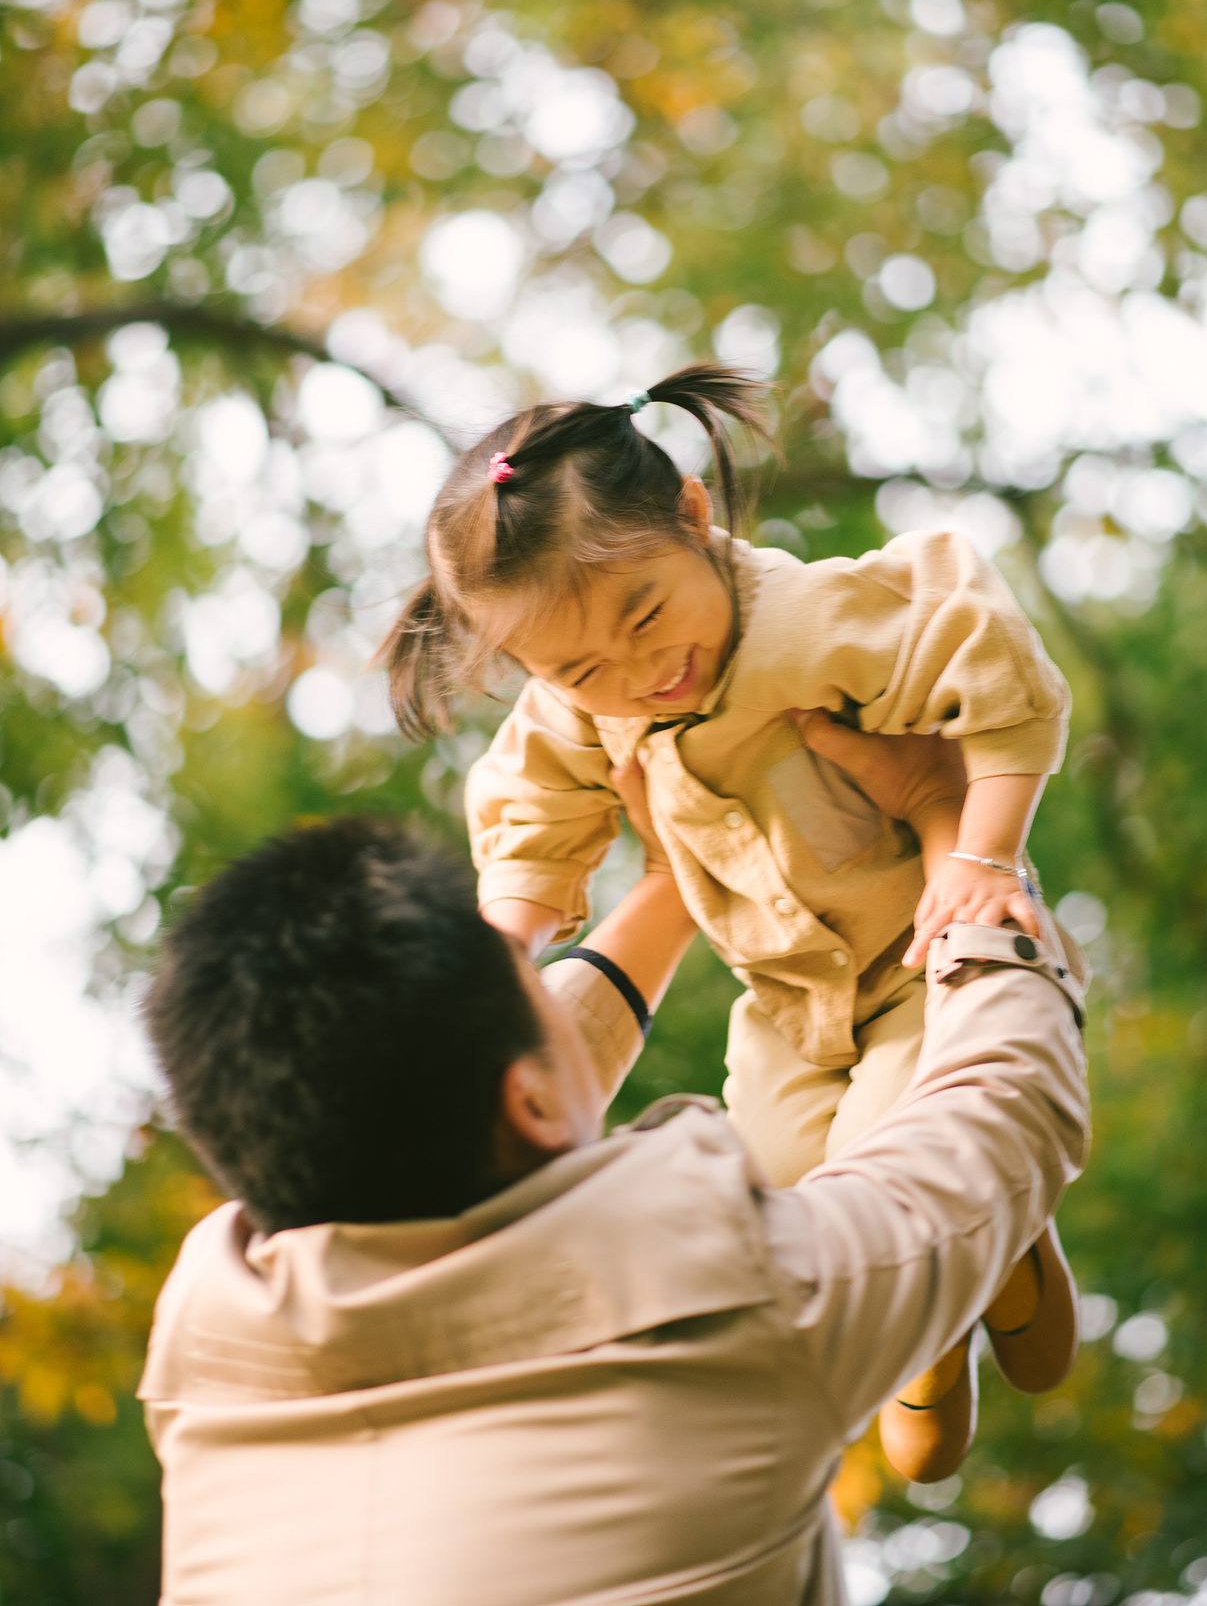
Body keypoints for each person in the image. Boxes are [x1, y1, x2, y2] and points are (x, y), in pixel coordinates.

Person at [140, 728, 1090, 1606]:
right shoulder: (731, 1306)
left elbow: (449, 1100)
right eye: (535, 987)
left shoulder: (202, 1353)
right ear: (529, 1099)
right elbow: (1006, 1111)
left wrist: (677, 880)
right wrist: (953, 828)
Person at [380, 363, 1080, 1475]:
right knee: (768, 1203)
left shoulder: (811, 623)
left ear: (696, 518)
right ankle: (995, 1255)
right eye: (576, 665)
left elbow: (988, 671)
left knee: (880, 1181)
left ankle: (932, 1327)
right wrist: (500, 957)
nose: (640, 671)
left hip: (923, 962)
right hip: (786, 1010)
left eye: (645, 613)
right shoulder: (578, 709)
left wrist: (985, 857)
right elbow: (532, 822)